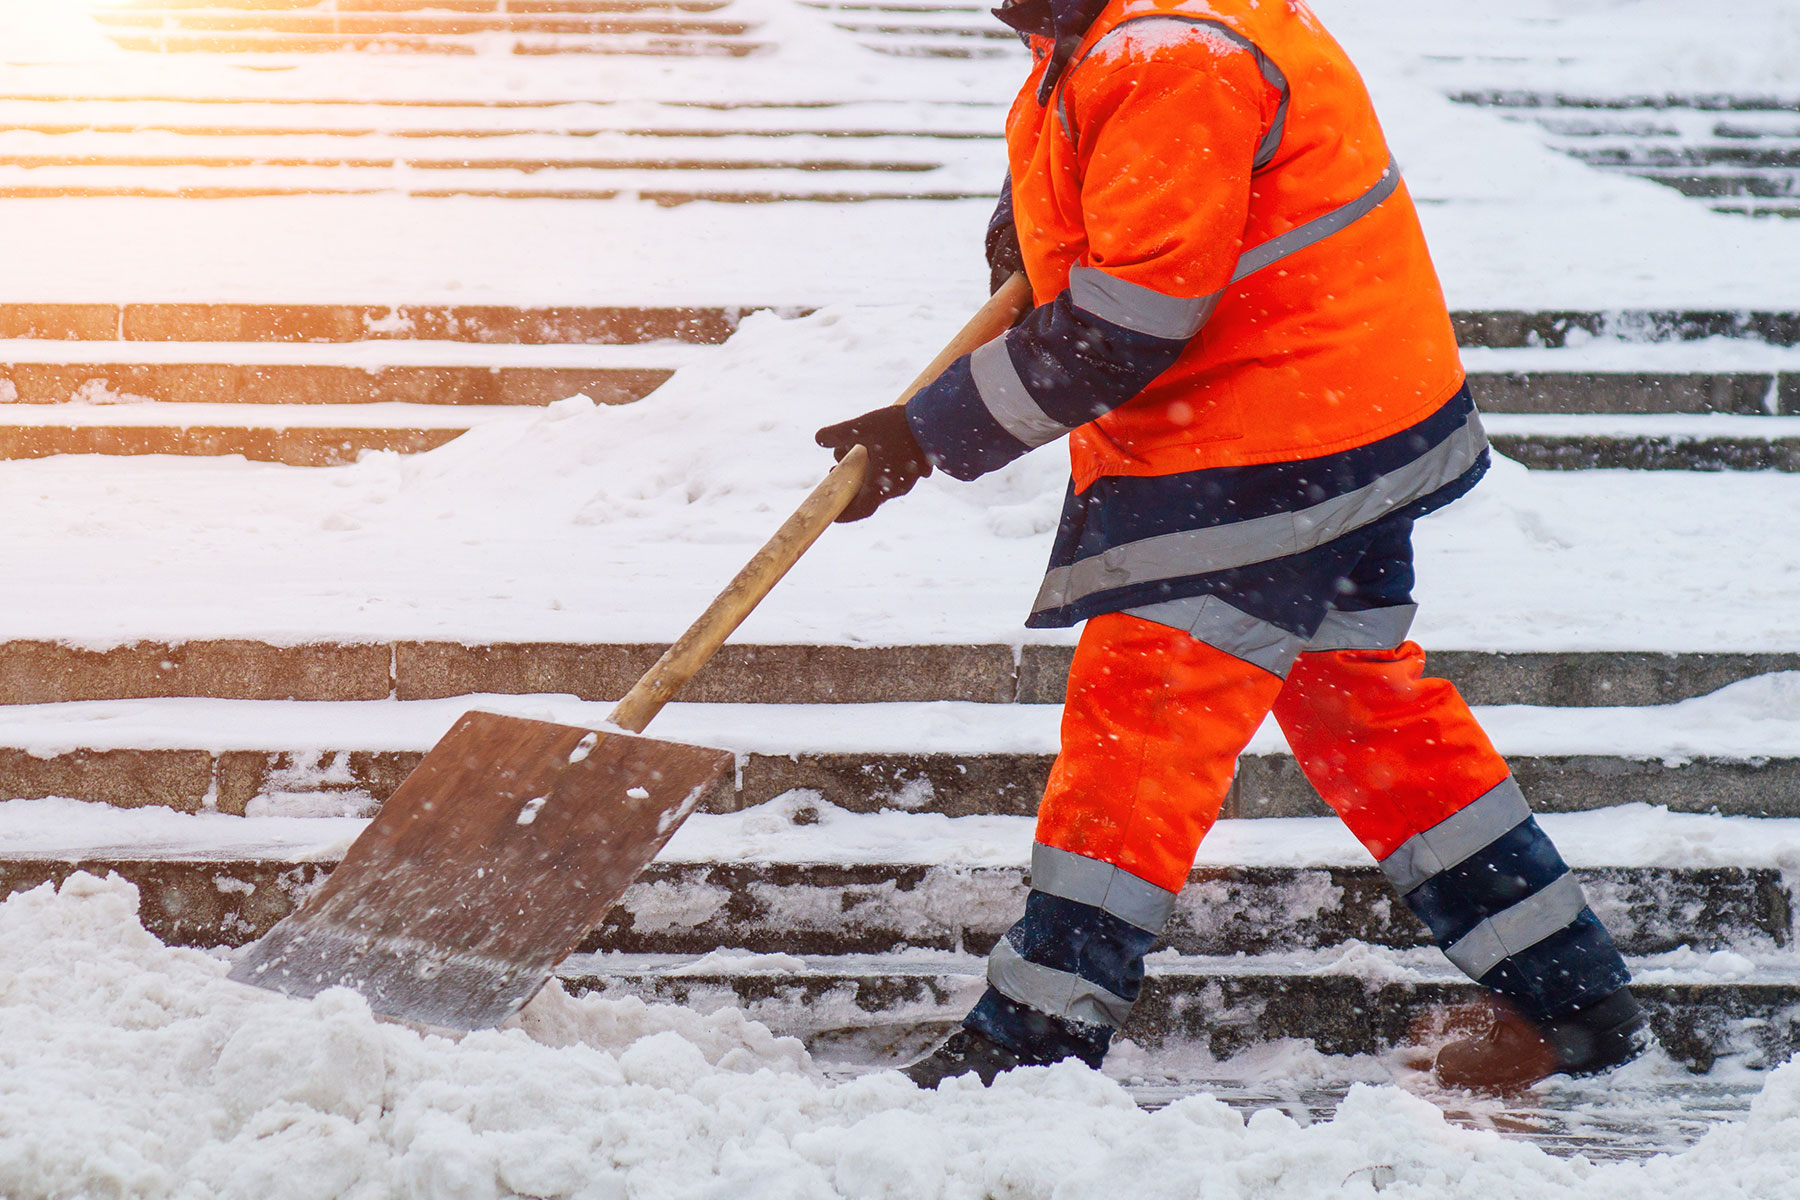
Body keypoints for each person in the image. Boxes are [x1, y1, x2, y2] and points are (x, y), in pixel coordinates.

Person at [814, 0, 1649, 1092]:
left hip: (1266, 441)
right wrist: (1032, 219)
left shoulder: (1171, 53)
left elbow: (1132, 317)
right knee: (1362, 709)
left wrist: (928, 433)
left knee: (1143, 718)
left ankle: (1037, 1036)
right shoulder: (1119, 32)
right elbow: (1137, 198)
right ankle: (1572, 999)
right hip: (1333, 419)